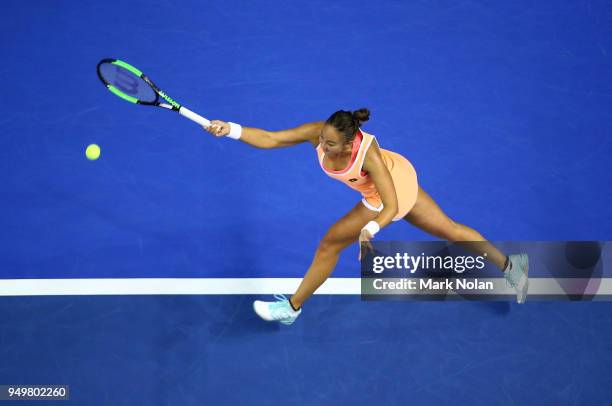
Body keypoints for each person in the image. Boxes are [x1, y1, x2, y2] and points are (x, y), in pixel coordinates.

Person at [203, 109, 529, 324]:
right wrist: (230, 129)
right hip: (396, 176)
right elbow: (273, 138)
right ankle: (512, 266)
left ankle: (290, 308)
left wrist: (369, 229)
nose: (321, 144)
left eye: (329, 144)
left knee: (330, 244)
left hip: (389, 193)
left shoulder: (367, 155)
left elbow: (389, 206)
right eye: (322, 138)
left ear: (348, 146)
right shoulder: (323, 133)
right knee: (449, 229)